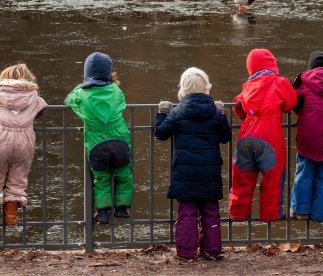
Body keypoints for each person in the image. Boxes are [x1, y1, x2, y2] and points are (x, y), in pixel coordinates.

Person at [152, 67, 232, 260]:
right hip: (209, 172)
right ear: (206, 87)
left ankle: (186, 253)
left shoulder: (177, 112)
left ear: (183, 88)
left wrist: (162, 113)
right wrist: (221, 114)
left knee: (186, 212)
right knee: (211, 211)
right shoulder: (214, 112)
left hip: (184, 172)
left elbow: (161, 133)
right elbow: (225, 137)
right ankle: (211, 251)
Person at [229, 48, 297, 222]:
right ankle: (271, 216)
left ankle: (237, 214)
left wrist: (248, 115)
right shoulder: (279, 82)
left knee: (242, 178)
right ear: (273, 64)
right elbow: (291, 103)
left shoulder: (247, 86)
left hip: (246, 135)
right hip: (269, 135)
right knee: (272, 178)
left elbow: (238, 105)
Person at [65, 52, 133, 224]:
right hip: (120, 141)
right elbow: (122, 103)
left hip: (96, 144)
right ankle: (122, 208)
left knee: (101, 179)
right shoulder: (116, 90)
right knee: (124, 174)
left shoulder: (80, 94)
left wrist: (81, 86)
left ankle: (103, 212)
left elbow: (69, 100)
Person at [290, 51, 323, 222]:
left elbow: (293, 100)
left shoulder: (305, 81)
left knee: (304, 173)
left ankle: (301, 211)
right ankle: (320, 215)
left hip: (309, 134)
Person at [0, 63, 47, 227]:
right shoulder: (34, 98)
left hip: (1, 138)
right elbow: (41, 108)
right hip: (24, 142)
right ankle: (11, 215)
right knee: (17, 180)